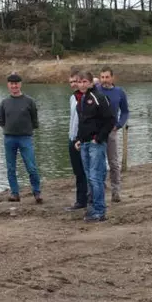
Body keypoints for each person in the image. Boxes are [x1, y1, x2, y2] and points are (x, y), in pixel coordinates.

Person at [74, 72, 115, 223]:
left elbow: (111, 120)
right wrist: (79, 139)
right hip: (84, 143)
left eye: (85, 81)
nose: (82, 84)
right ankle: (92, 208)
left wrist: (99, 138)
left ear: (91, 83)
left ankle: (99, 210)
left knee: (95, 177)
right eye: (79, 82)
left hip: (95, 144)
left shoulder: (99, 98)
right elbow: (82, 122)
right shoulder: (81, 100)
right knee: (89, 178)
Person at [0, 73, 41, 203]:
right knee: (11, 168)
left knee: (31, 167)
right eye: (11, 84)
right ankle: (14, 193)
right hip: (9, 138)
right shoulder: (4, 102)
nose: (14, 86)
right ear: (8, 85)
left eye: (16, 83)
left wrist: (25, 130)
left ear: (20, 84)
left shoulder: (30, 101)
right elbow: (2, 121)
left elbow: (35, 121)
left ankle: (37, 192)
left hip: (25, 138)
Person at [97, 66, 130, 203]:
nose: (104, 80)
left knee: (114, 162)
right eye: (102, 77)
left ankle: (116, 190)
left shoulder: (119, 92)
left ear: (112, 78)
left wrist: (119, 125)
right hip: (97, 131)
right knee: (98, 162)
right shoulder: (96, 90)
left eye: (107, 77)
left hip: (111, 131)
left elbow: (125, 111)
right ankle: (99, 189)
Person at [65, 71, 88, 211]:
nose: (73, 84)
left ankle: (90, 198)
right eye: (71, 82)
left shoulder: (88, 96)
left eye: (76, 81)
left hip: (84, 139)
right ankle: (81, 200)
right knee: (78, 172)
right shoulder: (72, 98)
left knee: (88, 171)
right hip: (72, 138)